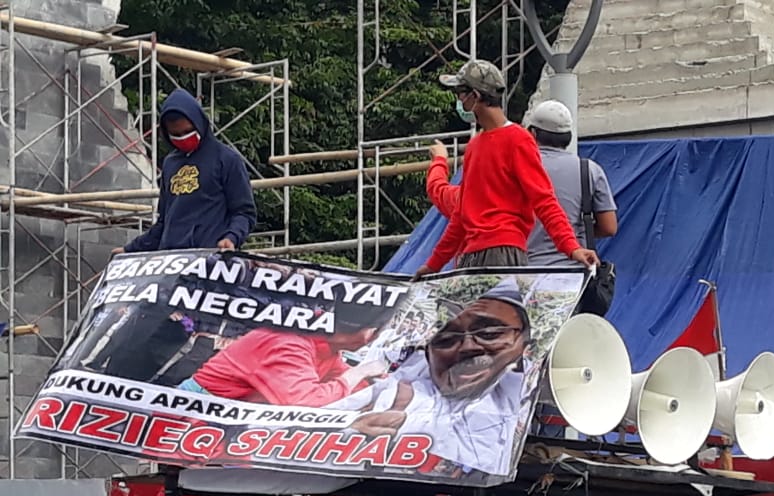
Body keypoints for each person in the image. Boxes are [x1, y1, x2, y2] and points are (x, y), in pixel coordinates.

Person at [332, 281, 534, 476]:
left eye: (489, 333)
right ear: (428, 353)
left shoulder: (524, 385)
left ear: (526, 347)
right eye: (447, 339)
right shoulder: (398, 393)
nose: (467, 347)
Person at [414, 60, 598, 275]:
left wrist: (571, 247)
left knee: (492, 308)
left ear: (475, 96)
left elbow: (544, 199)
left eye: (460, 94)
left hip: (502, 252)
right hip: (472, 255)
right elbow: (462, 215)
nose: (459, 100)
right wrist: (433, 264)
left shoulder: (518, 139)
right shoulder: (475, 146)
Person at [426, 100, 618, 268]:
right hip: (569, 271)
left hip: (519, 264)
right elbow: (608, 227)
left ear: (532, 133)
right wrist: (573, 243)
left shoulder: (502, 164)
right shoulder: (589, 170)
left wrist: (440, 161)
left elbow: (451, 199)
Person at [116, 88, 256, 256]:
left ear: (199, 123)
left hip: (209, 261)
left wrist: (232, 237)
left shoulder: (227, 159)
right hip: (170, 263)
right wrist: (129, 250)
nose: (183, 137)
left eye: (188, 131)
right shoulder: (170, 163)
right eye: (175, 134)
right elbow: (163, 223)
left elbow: (244, 212)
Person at [182, 300, 395, 406]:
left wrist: (371, 381)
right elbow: (305, 401)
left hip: (229, 413)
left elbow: (337, 376)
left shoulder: (323, 340)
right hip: (196, 413)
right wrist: (358, 373)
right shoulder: (290, 342)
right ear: (369, 333)